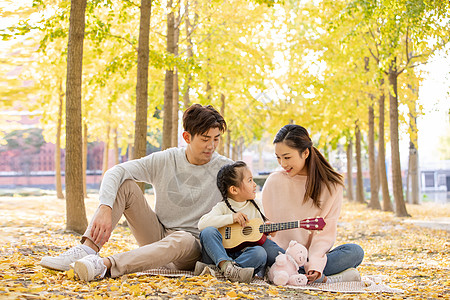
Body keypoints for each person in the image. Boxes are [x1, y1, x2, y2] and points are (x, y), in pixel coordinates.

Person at [40, 104, 233, 281]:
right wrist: (104, 206)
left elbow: (248, 200)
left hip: (193, 246)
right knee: (125, 185)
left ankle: (103, 266)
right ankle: (86, 250)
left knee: (182, 238)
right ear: (187, 137)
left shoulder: (226, 169)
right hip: (158, 235)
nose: (211, 146)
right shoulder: (166, 159)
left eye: (216, 139)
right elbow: (116, 171)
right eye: (205, 139)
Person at [262, 124, 364, 284]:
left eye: (287, 157)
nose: (282, 163)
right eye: (278, 157)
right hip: (280, 255)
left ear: (305, 153)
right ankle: (324, 279)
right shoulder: (274, 181)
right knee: (263, 250)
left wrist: (315, 263)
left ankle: (295, 274)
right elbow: (264, 225)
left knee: (355, 252)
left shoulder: (331, 186)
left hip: (307, 256)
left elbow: (325, 233)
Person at [195, 161, 285, 283]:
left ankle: (220, 271)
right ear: (234, 190)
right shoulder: (222, 207)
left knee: (260, 253)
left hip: (243, 256)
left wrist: (270, 231)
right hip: (218, 254)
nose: (254, 185)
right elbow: (202, 224)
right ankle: (226, 267)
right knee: (208, 232)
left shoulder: (256, 205)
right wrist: (232, 218)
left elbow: (259, 234)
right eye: (250, 181)